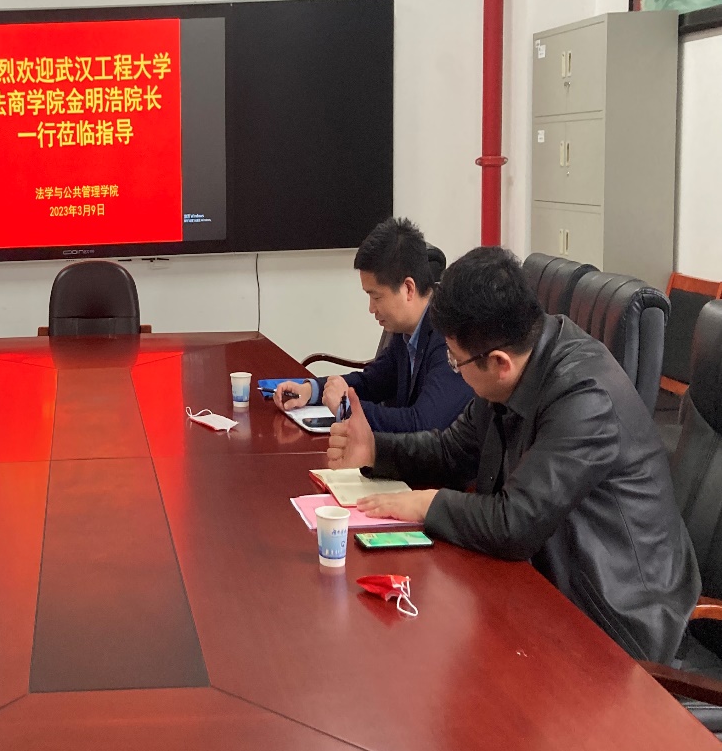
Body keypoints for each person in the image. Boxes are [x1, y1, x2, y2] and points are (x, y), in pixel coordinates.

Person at [327, 245, 700, 664]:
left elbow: (516, 522)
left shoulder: (585, 397)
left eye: (455, 361)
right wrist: (375, 449)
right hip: (545, 586)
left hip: (617, 621)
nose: (454, 369)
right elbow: (452, 451)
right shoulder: (517, 362)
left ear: (499, 362)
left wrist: (426, 504)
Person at [272, 217, 473, 432]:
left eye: (376, 297)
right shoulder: (407, 331)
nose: (371, 308)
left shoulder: (449, 336)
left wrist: (347, 408)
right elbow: (373, 382)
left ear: (408, 288)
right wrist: (312, 391)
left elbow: (422, 424)